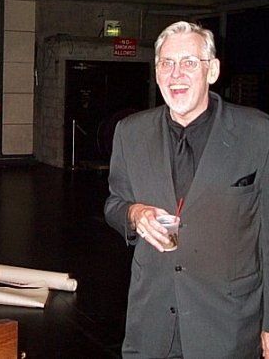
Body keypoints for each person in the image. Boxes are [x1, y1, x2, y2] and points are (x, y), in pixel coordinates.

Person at [104, 21, 269, 358]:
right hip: (151, 323)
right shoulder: (130, 132)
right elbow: (114, 203)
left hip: (228, 326)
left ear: (213, 71)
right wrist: (134, 214)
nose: (176, 74)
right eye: (167, 63)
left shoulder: (257, 133)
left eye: (189, 63)